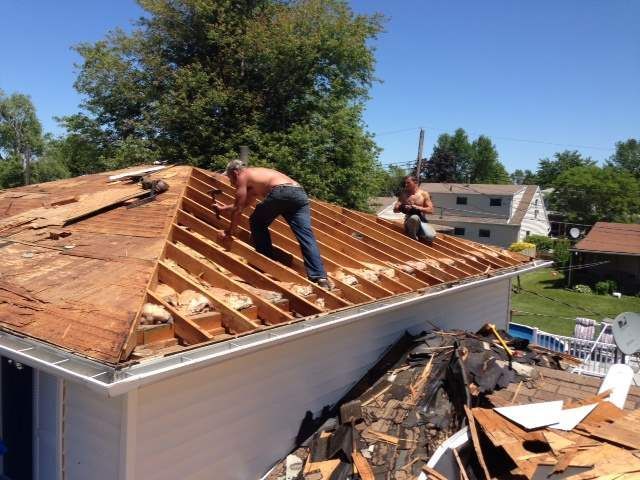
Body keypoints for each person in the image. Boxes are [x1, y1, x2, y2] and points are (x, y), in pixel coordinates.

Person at [213, 160, 330, 288]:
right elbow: (245, 204)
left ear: (235, 173)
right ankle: (320, 277)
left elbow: (238, 209)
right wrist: (223, 209)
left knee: (257, 221)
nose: (231, 183)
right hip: (299, 194)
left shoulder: (243, 176)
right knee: (306, 236)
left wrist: (230, 232)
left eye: (230, 178)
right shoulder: (256, 178)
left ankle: (266, 263)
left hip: (281, 191)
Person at [393, 175, 436, 242]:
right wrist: (403, 207)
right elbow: (395, 210)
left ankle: (419, 232)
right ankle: (412, 237)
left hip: (421, 220)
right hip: (409, 219)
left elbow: (431, 210)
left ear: (415, 182)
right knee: (414, 218)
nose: (406, 184)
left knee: (430, 237)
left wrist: (418, 208)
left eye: (408, 183)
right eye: (405, 183)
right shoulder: (403, 194)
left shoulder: (424, 194)